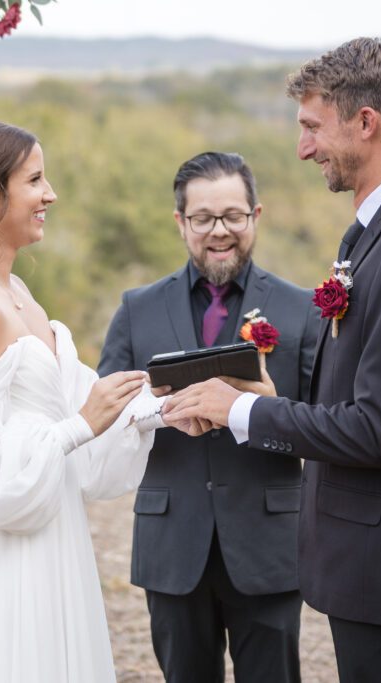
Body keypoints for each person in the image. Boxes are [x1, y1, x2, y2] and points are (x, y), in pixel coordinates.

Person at [164, 39, 381, 682]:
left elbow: (379, 428)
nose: (303, 148)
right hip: (369, 562)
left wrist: (244, 411)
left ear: (366, 122)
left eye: (313, 127)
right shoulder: (379, 231)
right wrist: (268, 397)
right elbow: (364, 392)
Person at [0, 120, 165, 683]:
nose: (50, 194)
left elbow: (76, 399)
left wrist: (164, 409)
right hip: (6, 554)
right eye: (34, 180)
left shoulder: (15, 291)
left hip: (53, 529)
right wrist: (77, 428)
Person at [98, 152, 318, 682]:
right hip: (172, 544)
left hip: (268, 544)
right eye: (203, 218)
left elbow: (325, 423)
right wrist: (159, 410)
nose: (219, 231)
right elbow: (106, 411)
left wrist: (265, 407)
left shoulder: (302, 309)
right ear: (181, 222)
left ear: (255, 216)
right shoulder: (137, 309)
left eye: (233, 216)